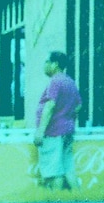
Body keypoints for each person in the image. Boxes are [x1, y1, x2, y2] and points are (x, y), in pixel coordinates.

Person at [34, 51, 81, 190]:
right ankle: (80, 199)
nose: (45, 65)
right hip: (67, 130)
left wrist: (40, 132)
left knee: (54, 172)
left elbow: (50, 106)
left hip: (53, 132)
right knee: (68, 168)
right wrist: (66, 115)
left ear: (55, 64)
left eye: (47, 62)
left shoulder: (55, 81)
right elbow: (78, 106)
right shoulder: (70, 82)